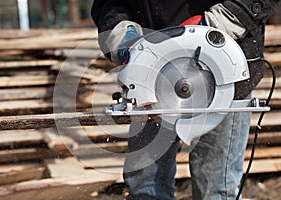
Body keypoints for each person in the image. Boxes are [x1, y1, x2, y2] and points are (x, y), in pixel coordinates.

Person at [91, 1, 279, 199]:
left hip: (222, 72)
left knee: (215, 191)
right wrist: (122, 32)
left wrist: (220, 20)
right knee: (146, 191)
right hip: (150, 75)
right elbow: (109, 4)